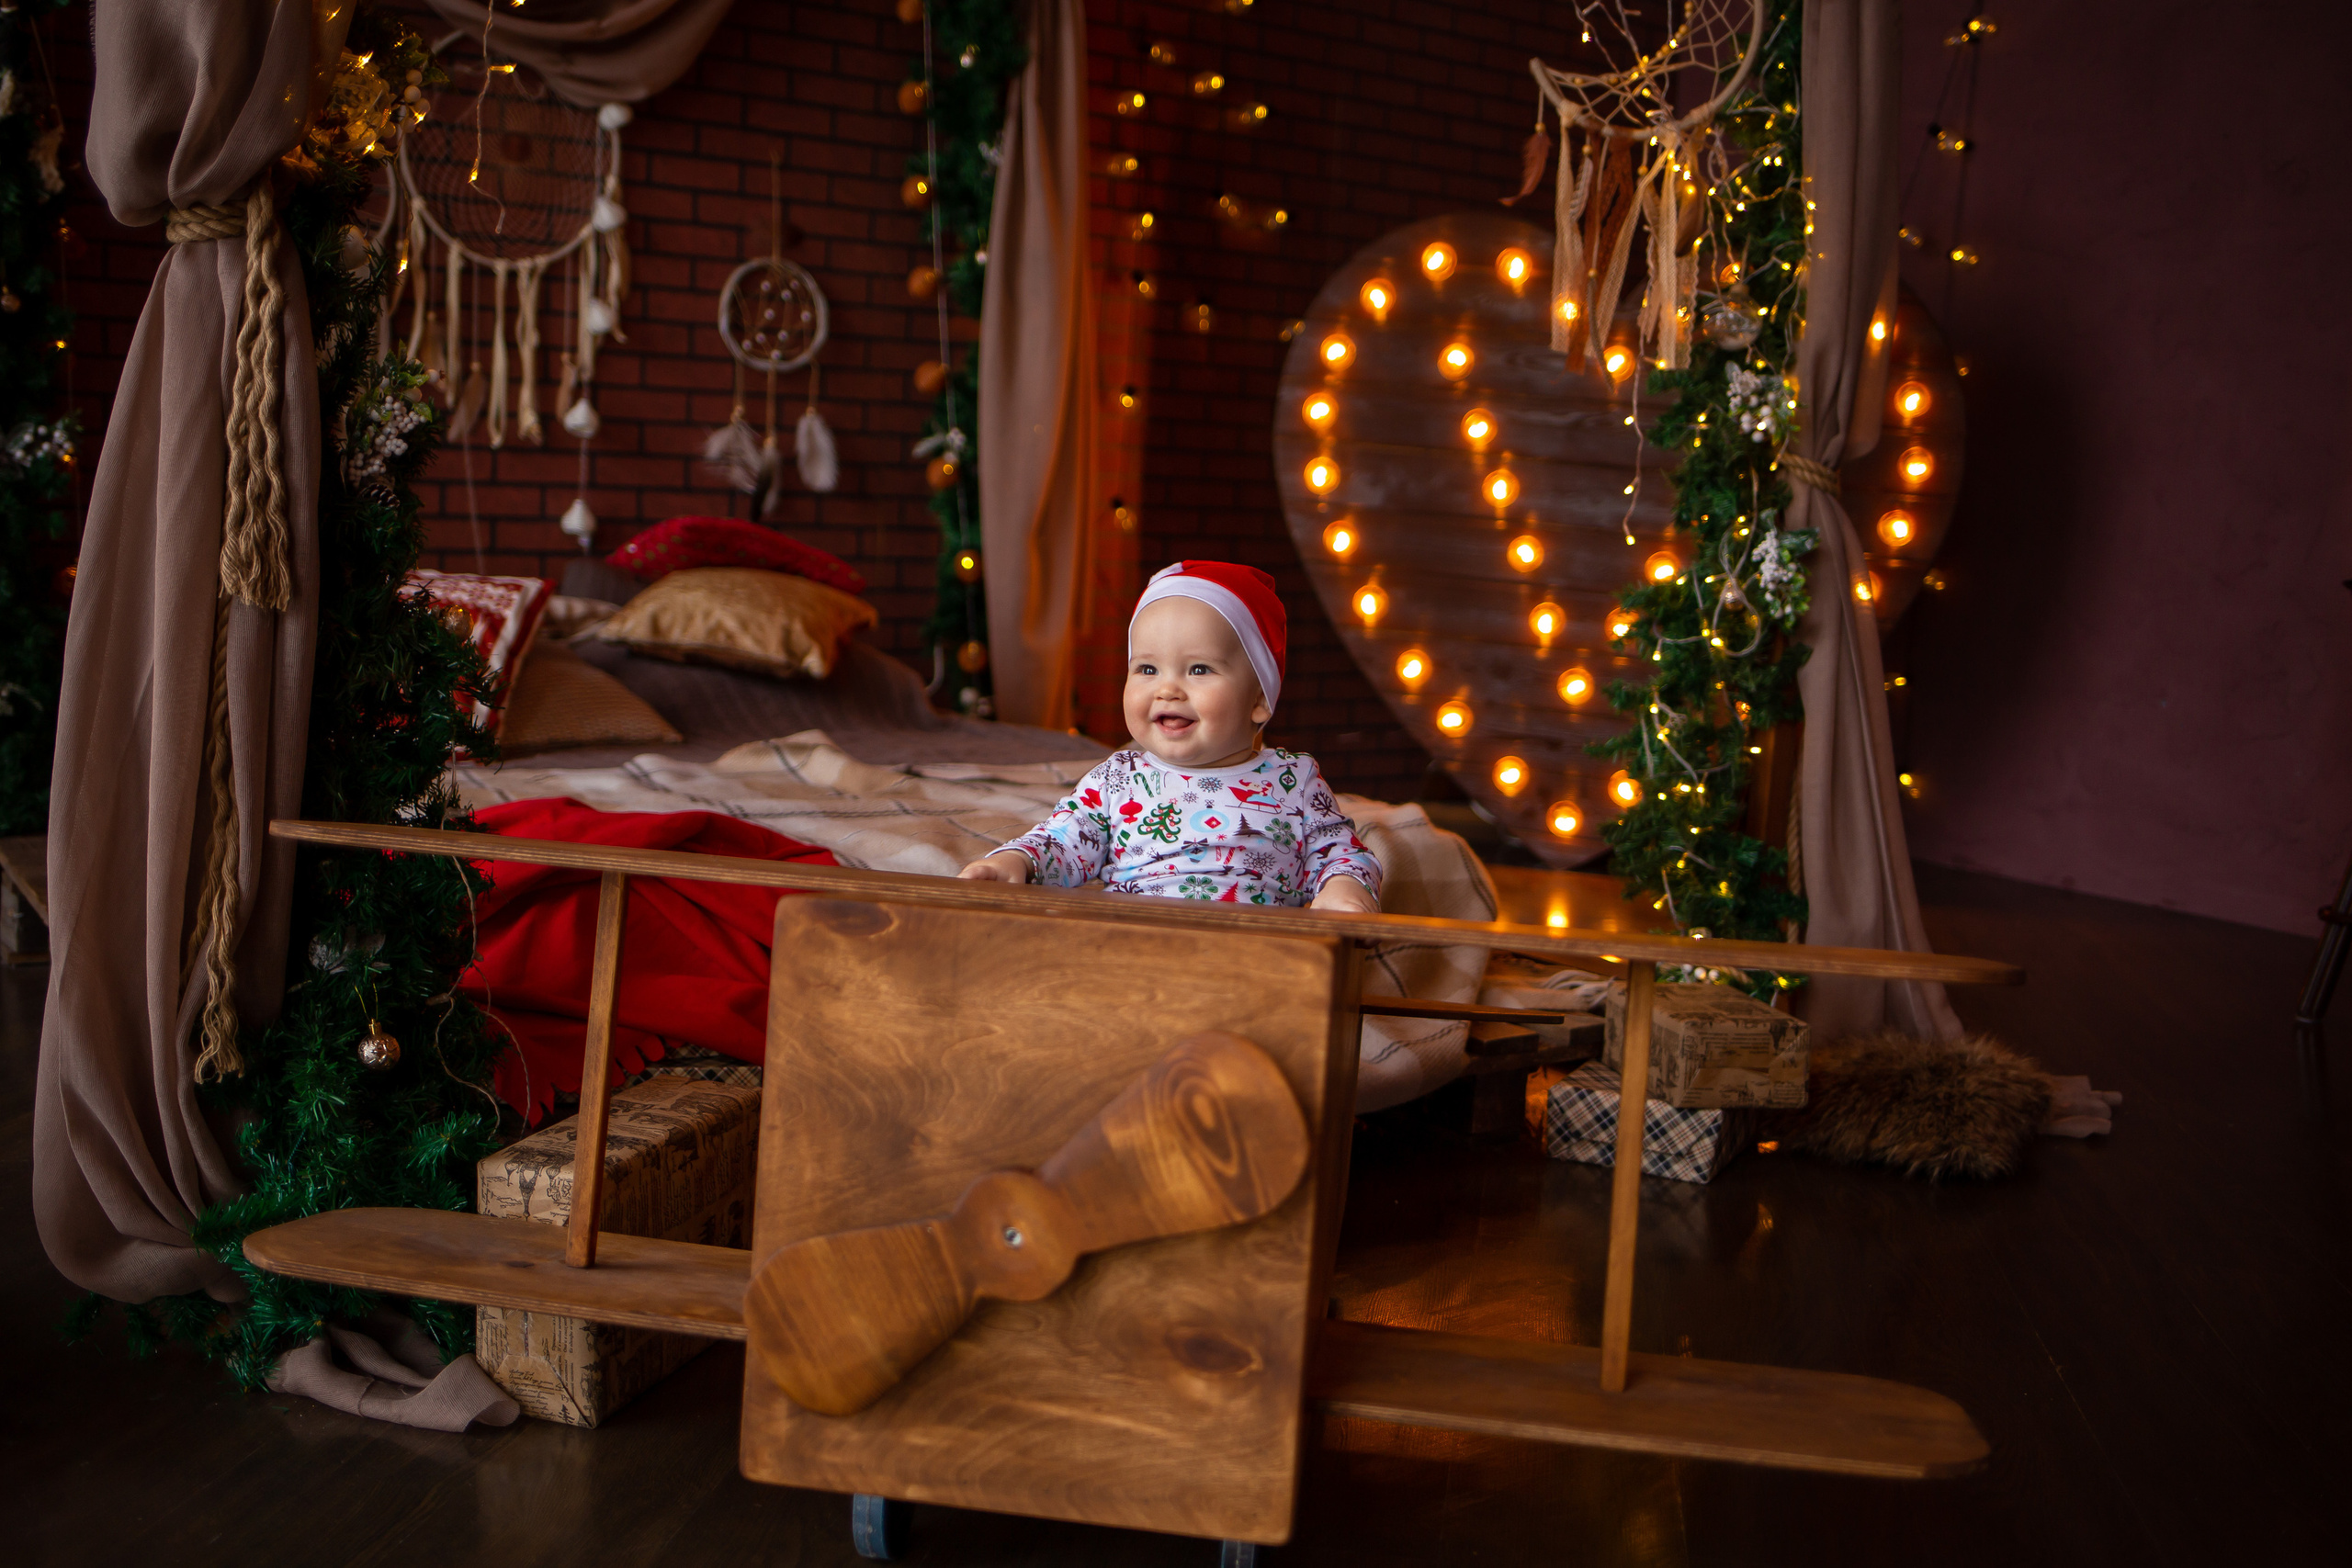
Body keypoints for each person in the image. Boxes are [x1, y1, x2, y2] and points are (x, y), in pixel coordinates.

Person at [959, 561, 1382, 910]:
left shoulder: (1294, 781)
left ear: (1259, 700)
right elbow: (1064, 839)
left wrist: (1345, 889)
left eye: (1198, 669)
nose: (1168, 689)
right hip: (1139, 944)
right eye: (1147, 669)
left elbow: (1341, 853)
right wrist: (1017, 861)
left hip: (1258, 952)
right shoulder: (1118, 778)